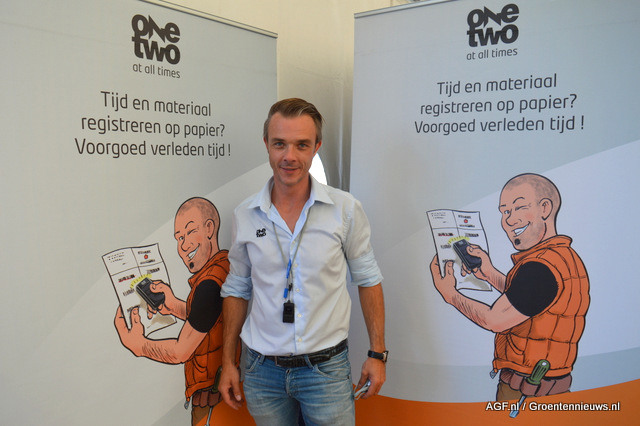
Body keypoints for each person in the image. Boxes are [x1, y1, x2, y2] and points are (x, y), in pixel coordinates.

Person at [218, 98, 387, 425]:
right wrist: (228, 362)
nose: (290, 156)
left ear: (316, 147)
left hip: (325, 371)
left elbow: (368, 279)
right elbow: (237, 288)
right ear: (266, 144)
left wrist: (377, 354)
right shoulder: (245, 214)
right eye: (280, 144)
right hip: (261, 373)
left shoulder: (344, 209)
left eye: (302, 145)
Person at [430, 173, 590, 401]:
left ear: (545, 208)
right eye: (505, 212)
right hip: (549, 390)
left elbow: (494, 320)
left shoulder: (539, 268)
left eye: (519, 207)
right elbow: (533, 301)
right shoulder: (564, 257)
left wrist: (450, 294)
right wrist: (489, 273)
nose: (510, 220)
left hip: (525, 394)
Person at [114, 197, 230, 426]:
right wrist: (173, 305)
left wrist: (139, 345)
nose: (184, 245)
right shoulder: (224, 266)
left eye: (190, 232)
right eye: (179, 238)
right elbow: (210, 319)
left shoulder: (209, 285)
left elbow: (180, 352)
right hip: (218, 393)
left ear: (209, 228)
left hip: (211, 401)